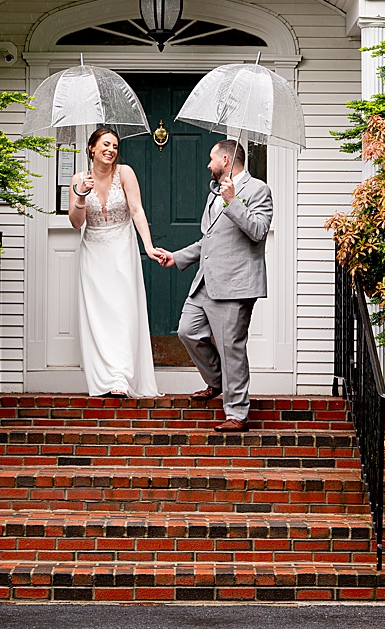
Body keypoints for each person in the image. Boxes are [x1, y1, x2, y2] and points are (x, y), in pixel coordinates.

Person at [151, 138, 273, 432]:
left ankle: (237, 413)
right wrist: (177, 257)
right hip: (205, 281)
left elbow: (258, 231)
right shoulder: (213, 194)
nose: (208, 164)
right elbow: (209, 241)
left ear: (227, 161)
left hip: (236, 284)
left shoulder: (258, 190)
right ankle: (218, 382)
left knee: (232, 348)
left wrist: (233, 201)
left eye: (212, 159)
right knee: (187, 331)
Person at [68, 126, 162, 399]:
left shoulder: (125, 173)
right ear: (92, 148)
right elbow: (76, 223)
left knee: (123, 312)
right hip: (93, 251)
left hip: (122, 247)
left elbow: (136, 209)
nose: (111, 150)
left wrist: (148, 244)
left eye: (115, 146)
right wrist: (81, 195)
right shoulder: (78, 179)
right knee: (99, 316)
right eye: (106, 145)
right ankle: (104, 378)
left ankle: (122, 377)